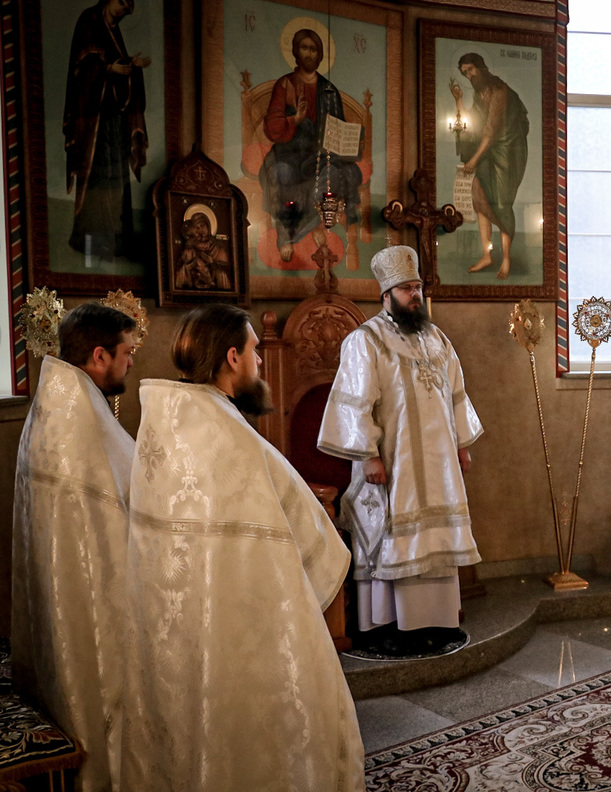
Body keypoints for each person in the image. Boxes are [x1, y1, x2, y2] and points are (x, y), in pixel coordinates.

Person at [121, 304, 364, 791]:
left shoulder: (163, 424)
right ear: (232, 357)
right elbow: (302, 521)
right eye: (254, 350)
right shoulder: (229, 434)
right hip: (238, 623)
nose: (260, 360)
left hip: (173, 628)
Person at [319, 245, 483, 657]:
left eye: (418, 287)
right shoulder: (365, 341)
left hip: (439, 466)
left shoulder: (436, 338)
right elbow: (355, 403)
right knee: (393, 539)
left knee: (437, 537)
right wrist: (367, 455)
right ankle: (391, 627)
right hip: (394, 463)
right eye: (407, 288)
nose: (415, 295)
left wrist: (461, 444)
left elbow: (456, 394)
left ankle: (438, 621)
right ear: (386, 294)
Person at [12, 303, 135, 792]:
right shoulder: (80, 419)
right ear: (99, 355)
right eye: (126, 353)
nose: (131, 362)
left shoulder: (53, 403)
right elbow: (132, 500)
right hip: (89, 597)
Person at [261, 28, 362, 263]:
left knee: (335, 173)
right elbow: (272, 126)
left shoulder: (329, 90)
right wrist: (295, 119)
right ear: (296, 52)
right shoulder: (285, 85)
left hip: (320, 154)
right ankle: (285, 235)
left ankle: (317, 224)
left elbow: (339, 128)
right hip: (289, 151)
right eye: (304, 48)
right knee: (281, 174)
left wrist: (351, 142)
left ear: (320, 55)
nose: (309, 53)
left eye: (313, 49)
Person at [64, 0, 150, 260]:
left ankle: (117, 240)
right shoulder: (89, 21)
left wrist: (131, 65)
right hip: (93, 121)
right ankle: (92, 242)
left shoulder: (114, 32)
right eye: (121, 2)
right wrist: (109, 70)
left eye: (128, 8)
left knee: (117, 175)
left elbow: (117, 66)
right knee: (97, 173)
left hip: (114, 120)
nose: (123, 10)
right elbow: (82, 66)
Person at [450, 52, 529, 280]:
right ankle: (487, 255)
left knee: (502, 203)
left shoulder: (499, 91)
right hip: (487, 149)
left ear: (481, 67)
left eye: (471, 69)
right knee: (479, 195)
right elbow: (472, 125)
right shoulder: (479, 93)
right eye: (465, 73)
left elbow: (491, 130)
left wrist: (474, 159)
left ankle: (506, 258)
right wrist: (458, 100)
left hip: (507, 151)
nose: (469, 75)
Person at [175, 211, 233, 291]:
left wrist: (209, 268)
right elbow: (183, 264)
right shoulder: (191, 247)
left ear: (208, 225)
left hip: (216, 286)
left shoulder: (217, 248)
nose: (201, 230)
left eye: (202, 225)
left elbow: (224, 271)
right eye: (197, 228)